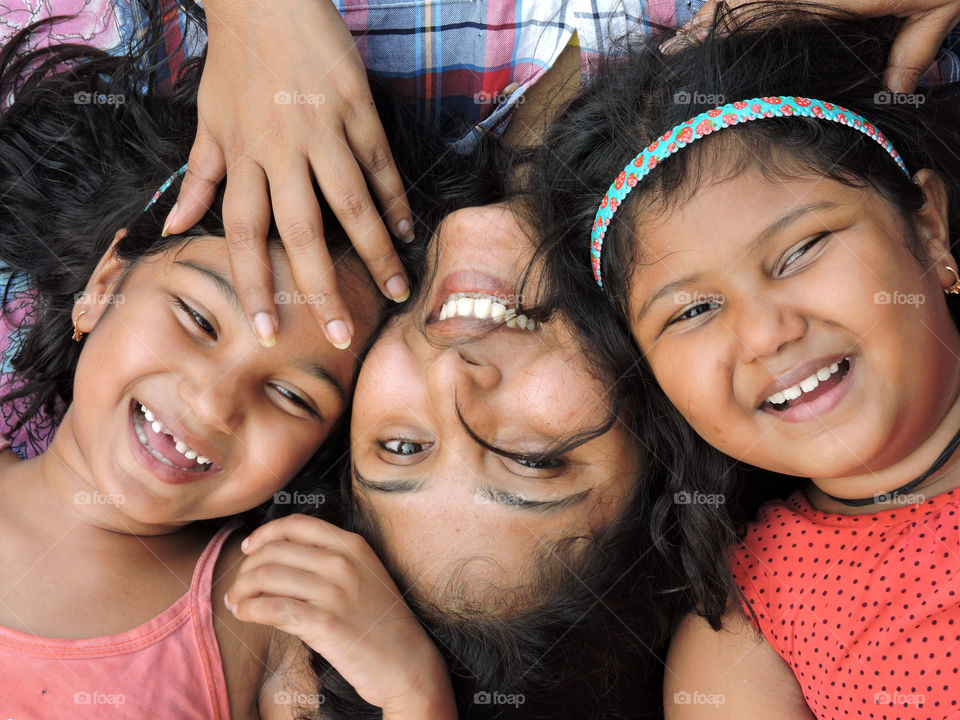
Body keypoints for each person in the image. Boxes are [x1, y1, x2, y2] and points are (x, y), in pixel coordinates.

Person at [0, 21, 457, 719]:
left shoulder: (261, 617)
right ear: (102, 286)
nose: (215, 405)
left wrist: (416, 693)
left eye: (291, 395)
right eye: (199, 320)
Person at [530, 2, 960, 716]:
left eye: (800, 251)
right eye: (692, 312)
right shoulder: (747, 630)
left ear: (930, 229)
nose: (766, 335)